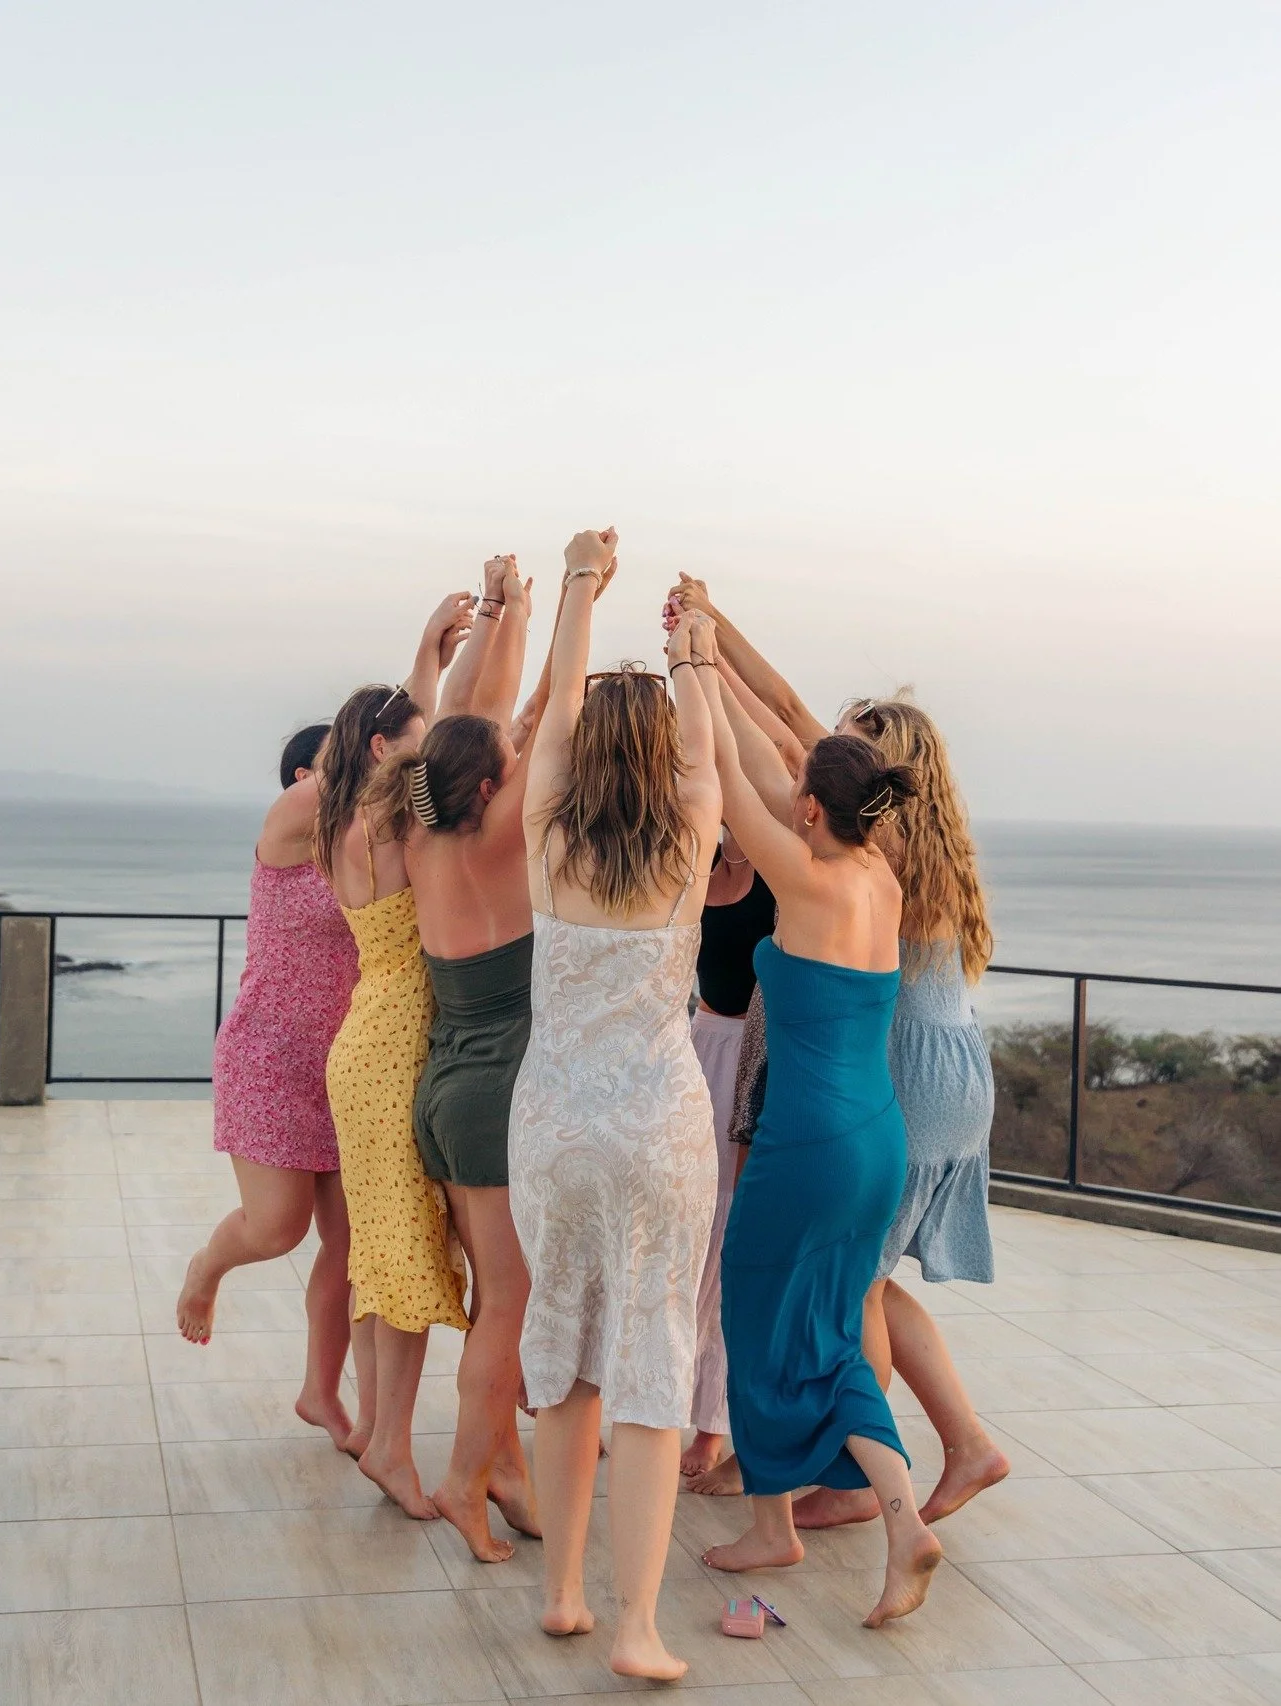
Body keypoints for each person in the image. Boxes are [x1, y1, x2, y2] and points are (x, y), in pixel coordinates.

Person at [669, 575, 1008, 1524]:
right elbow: (784, 717)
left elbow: (780, 726)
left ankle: (856, 1483)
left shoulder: (869, 853)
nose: (821, 741)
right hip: (956, 1068)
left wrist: (701, 650)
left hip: (895, 1077)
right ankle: (957, 1445)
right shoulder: (929, 847)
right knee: (863, 1281)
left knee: (848, 1290)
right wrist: (712, 629)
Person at [689, 614, 944, 1628]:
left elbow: (730, 770)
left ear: (808, 808)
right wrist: (710, 657)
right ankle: (901, 1519)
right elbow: (772, 761)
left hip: (807, 1142)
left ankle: (772, 1527)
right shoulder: (879, 874)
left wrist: (691, 665)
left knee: (754, 1321)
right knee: (833, 1334)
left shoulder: (801, 876)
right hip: (877, 1137)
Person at [508, 529, 721, 1683]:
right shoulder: (690, 835)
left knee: (565, 1339)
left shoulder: (547, 834)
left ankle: (560, 1594)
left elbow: (553, 712)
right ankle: (636, 1623)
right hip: (657, 1126)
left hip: (552, 1122)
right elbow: (703, 751)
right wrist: (691, 648)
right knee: (650, 1352)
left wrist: (583, 579)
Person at [368, 554, 544, 1564]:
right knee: (509, 1303)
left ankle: (506, 1470)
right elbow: (537, 717)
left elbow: (472, 714)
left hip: (443, 1090)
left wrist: (498, 612)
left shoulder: (422, 829)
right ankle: (465, 1481)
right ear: (490, 785)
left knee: (493, 1298)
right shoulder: (498, 840)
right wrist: (552, 605)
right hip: (492, 1095)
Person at [316, 590, 479, 1522]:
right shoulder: (388, 825)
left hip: (368, 1038)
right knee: (408, 1257)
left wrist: (427, 651)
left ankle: (381, 1434)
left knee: (382, 1256)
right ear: (384, 750)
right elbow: (444, 734)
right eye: (411, 748)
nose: (427, 761)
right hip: (396, 1049)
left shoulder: (342, 820)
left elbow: (420, 724)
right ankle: (390, 1446)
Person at [176, 722, 363, 1454]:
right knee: (278, 1227)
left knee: (349, 1246)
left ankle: (320, 1391)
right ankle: (208, 1266)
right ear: (302, 781)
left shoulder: (364, 851)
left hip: (349, 1067)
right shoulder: (286, 835)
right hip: (270, 1058)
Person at [678, 823, 776, 1482]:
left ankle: (712, 1425)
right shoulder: (698, 857)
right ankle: (654, 1397)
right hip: (695, 1043)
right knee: (686, 1236)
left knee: (725, 1237)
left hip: (754, 1057)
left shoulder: (776, 871)